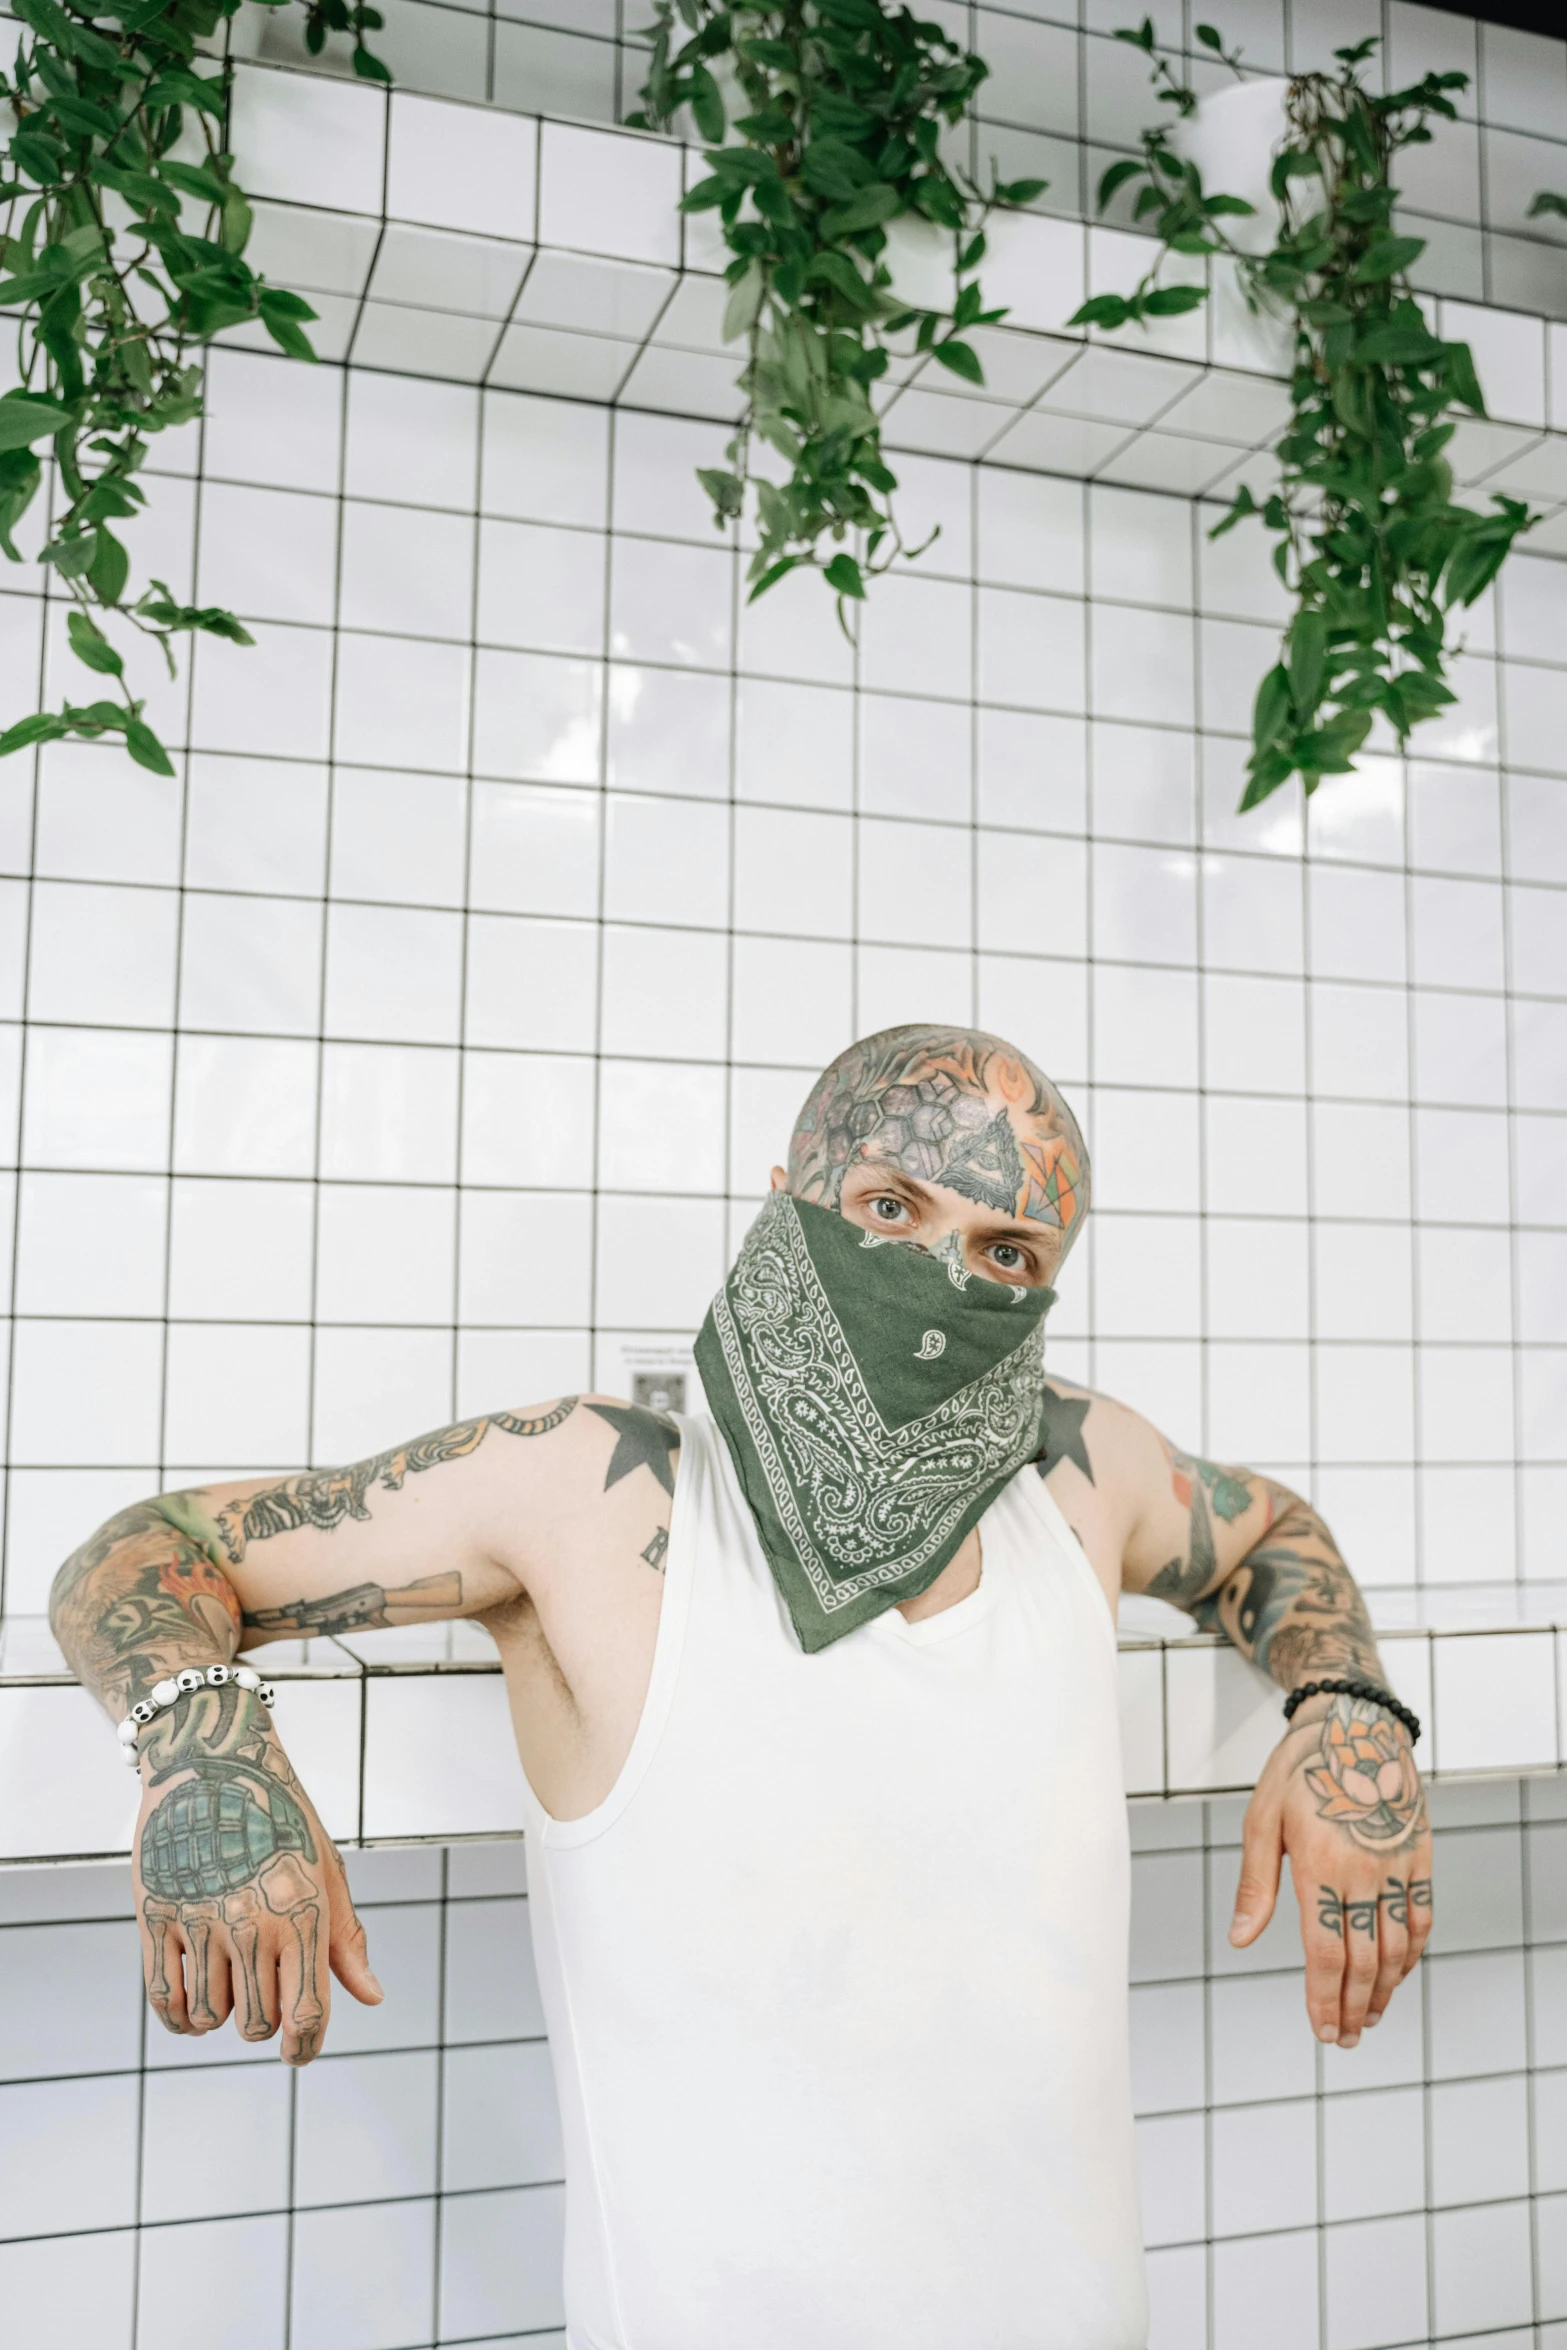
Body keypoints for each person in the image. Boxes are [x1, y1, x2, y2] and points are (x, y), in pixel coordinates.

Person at [51, 1022, 1431, 2350]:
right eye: (890, 1207)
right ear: (789, 1198)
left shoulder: (1078, 1477)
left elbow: (1264, 1531)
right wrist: (208, 1748)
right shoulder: (588, 1491)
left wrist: (1344, 1712)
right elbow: (155, 1550)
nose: (943, 1279)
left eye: (1004, 1250)